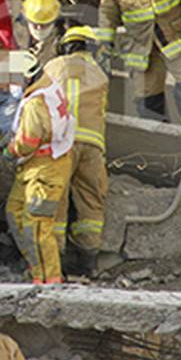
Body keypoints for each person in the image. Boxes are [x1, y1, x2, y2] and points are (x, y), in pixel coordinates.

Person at [4, 53, 75, 285]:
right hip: (39, 165)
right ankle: (35, 265)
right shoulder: (47, 84)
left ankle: (47, 279)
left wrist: (11, 149)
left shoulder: (36, 103)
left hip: (45, 168)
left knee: (36, 225)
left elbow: (28, 142)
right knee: (14, 211)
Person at [44, 27, 109, 277]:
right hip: (93, 144)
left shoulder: (52, 67)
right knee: (91, 201)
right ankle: (88, 263)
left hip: (61, 142)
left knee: (57, 201)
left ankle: (55, 262)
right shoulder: (100, 74)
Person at [18, 0, 66, 67]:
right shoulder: (17, 35)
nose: (39, 28)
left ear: (54, 22)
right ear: (27, 21)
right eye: (35, 24)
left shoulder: (61, 44)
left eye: (44, 25)